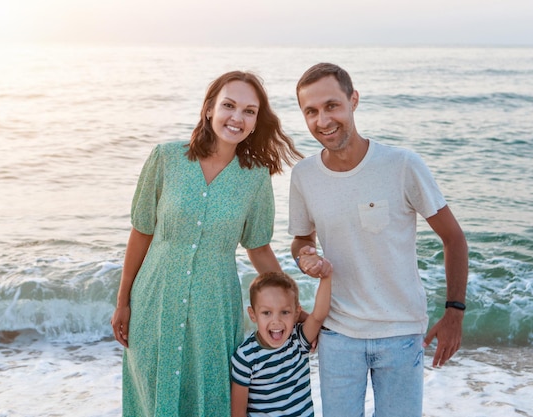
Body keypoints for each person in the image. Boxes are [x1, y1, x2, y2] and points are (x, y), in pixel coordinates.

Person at [111, 70, 303, 417]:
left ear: (257, 120)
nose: (237, 117)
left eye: (249, 111)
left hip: (214, 306)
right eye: (229, 105)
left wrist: (294, 305)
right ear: (209, 108)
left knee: (209, 396)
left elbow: (258, 247)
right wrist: (123, 301)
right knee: (151, 394)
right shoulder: (166, 158)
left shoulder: (256, 177)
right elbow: (142, 231)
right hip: (155, 299)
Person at [288, 63, 468, 417]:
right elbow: (300, 240)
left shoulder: (402, 165)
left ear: (353, 100)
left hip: (400, 333)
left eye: (332, 106)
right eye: (311, 111)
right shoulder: (304, 175)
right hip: (338, 334)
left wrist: (454, 314)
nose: (323, 120)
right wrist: (304, 256)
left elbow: (454, 238)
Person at [230, 261, 332, 417]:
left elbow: (318, 316)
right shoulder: (245, 357)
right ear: (252, 314)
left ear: (296, 313)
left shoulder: (298, 340)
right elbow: (238, 412)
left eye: (284, 312)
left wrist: (326, 278)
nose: (276, 321)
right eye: (266, 313)